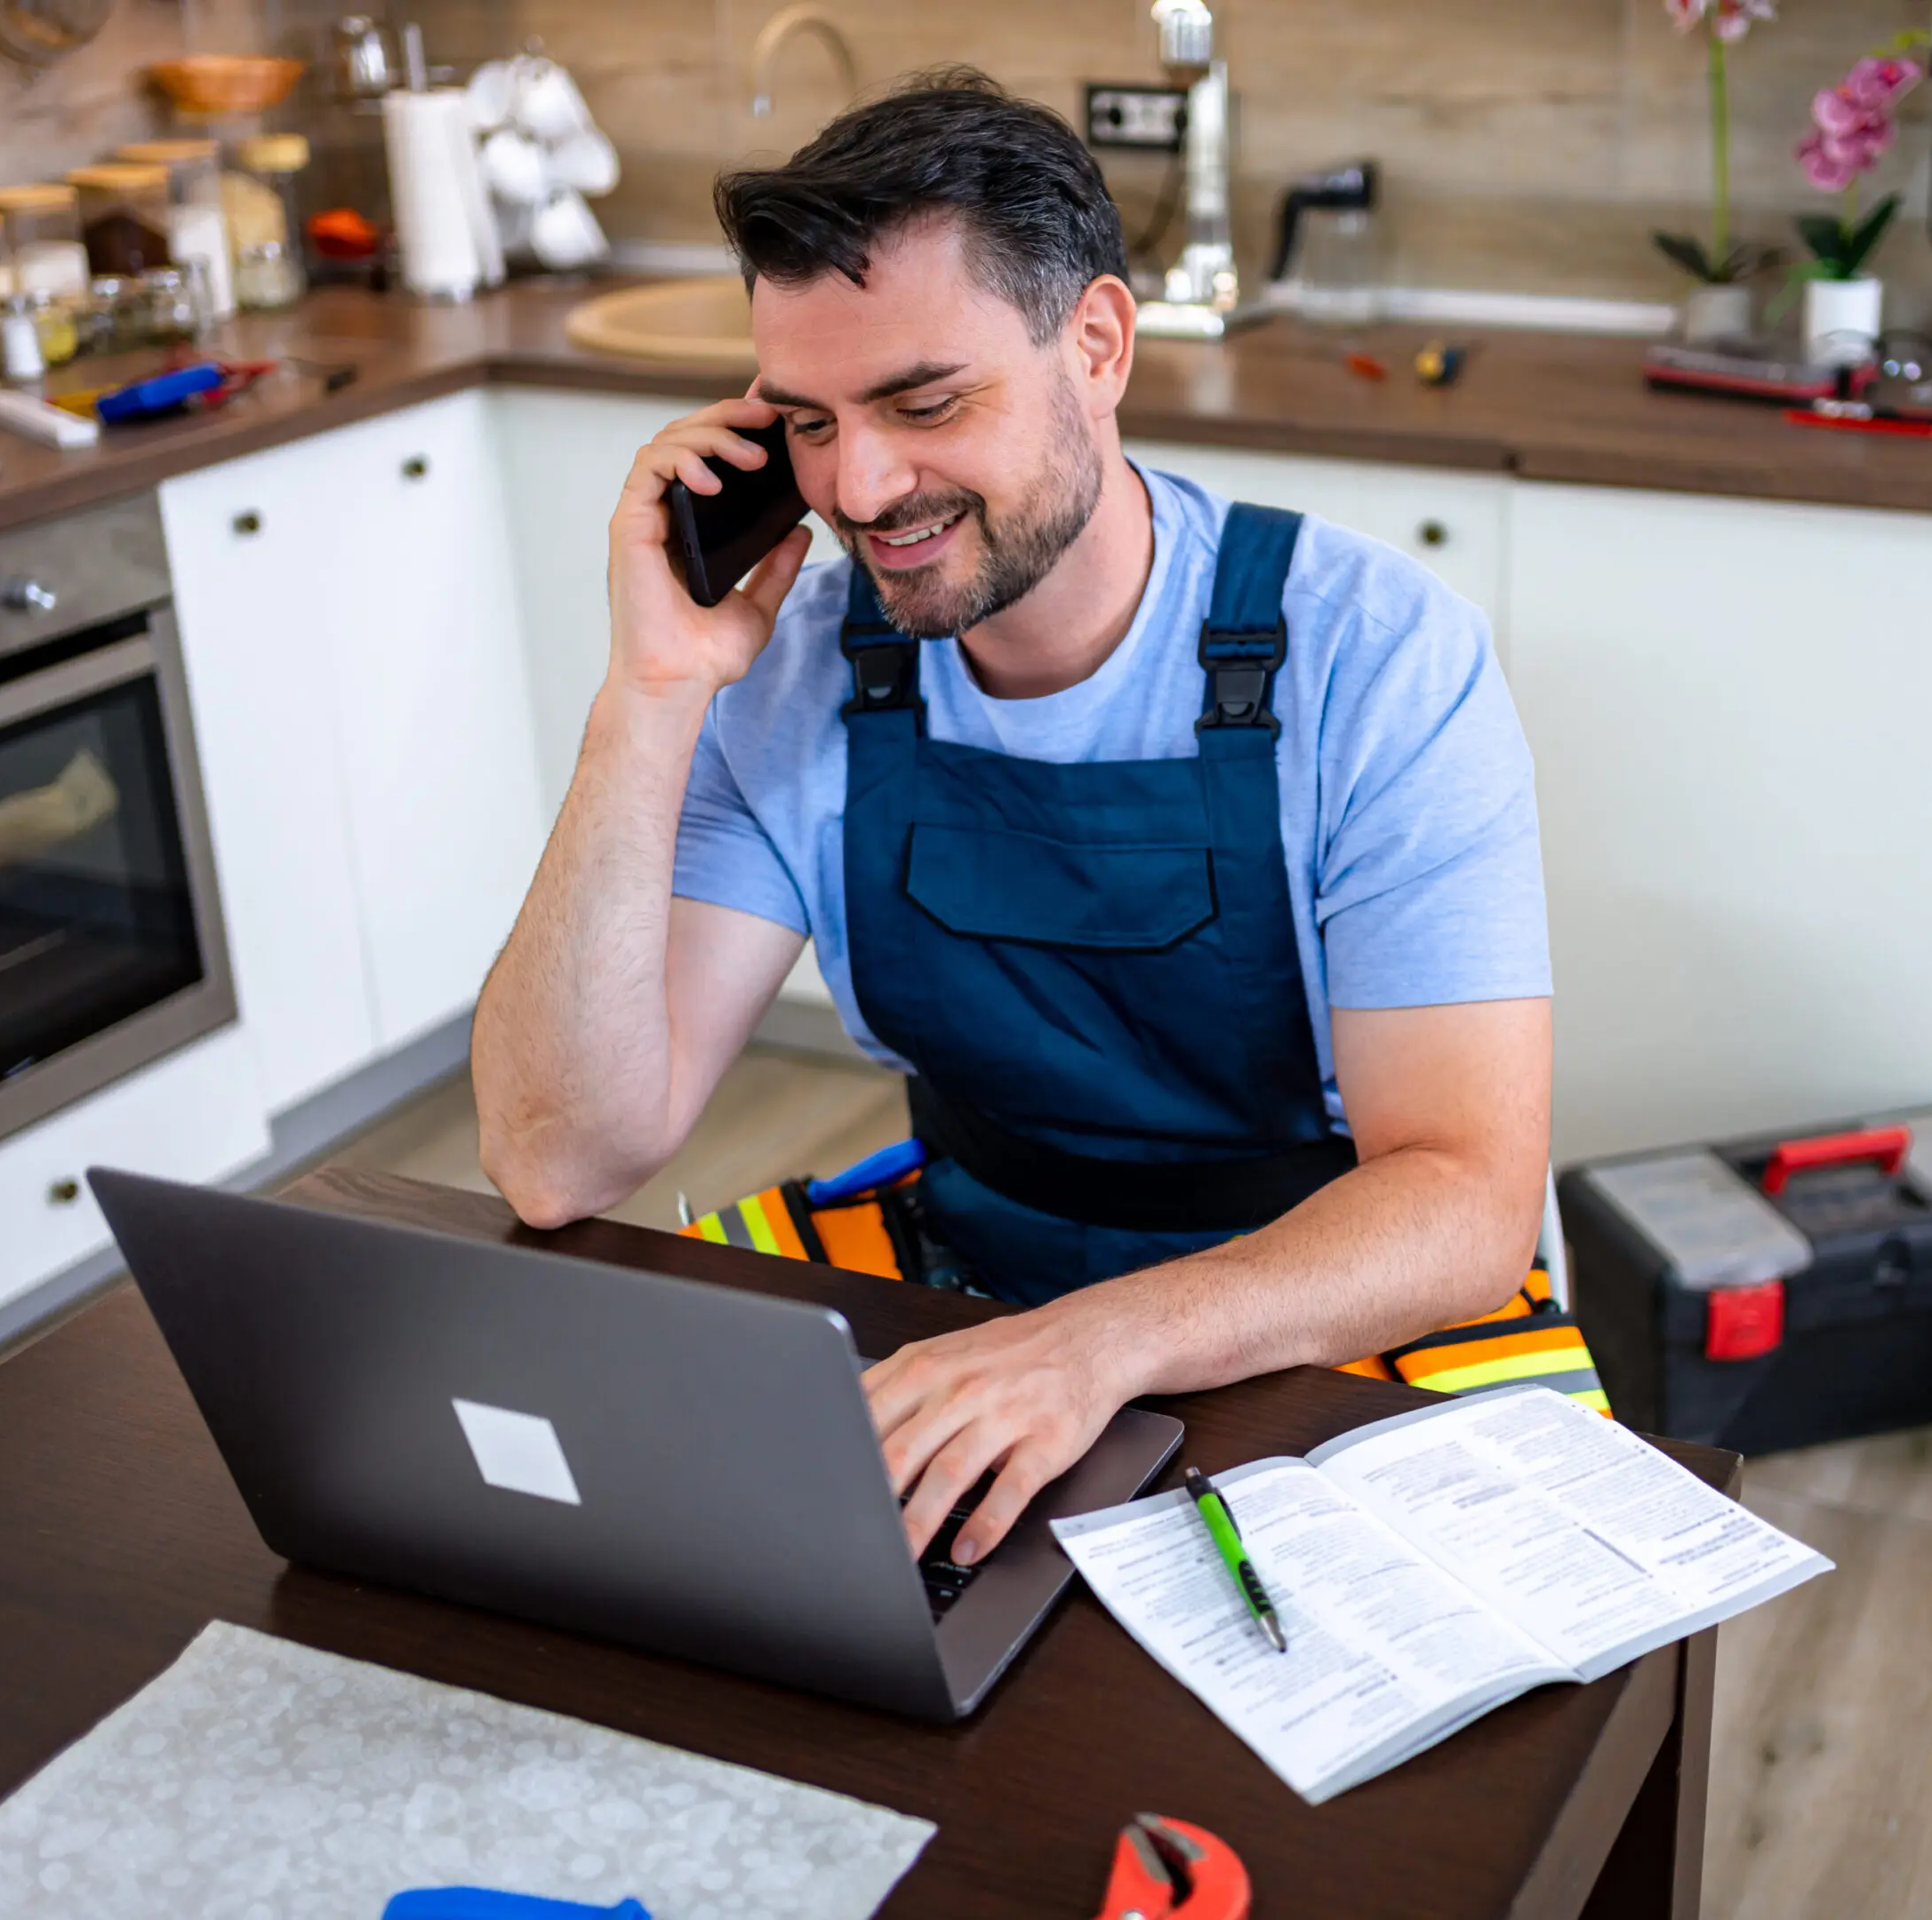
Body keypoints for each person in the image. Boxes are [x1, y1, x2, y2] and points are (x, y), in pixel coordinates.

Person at [473, 69, 1553, 1575]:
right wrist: (648, 696)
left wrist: (1087, 1351)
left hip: (1319, 1298)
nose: (861, 487)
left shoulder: (1373, 654)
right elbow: (558, 1159)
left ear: (1097, 345)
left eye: (926, 401)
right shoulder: (784, 670)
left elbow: (1466, 1205)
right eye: (805, 423)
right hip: (970, 1263)